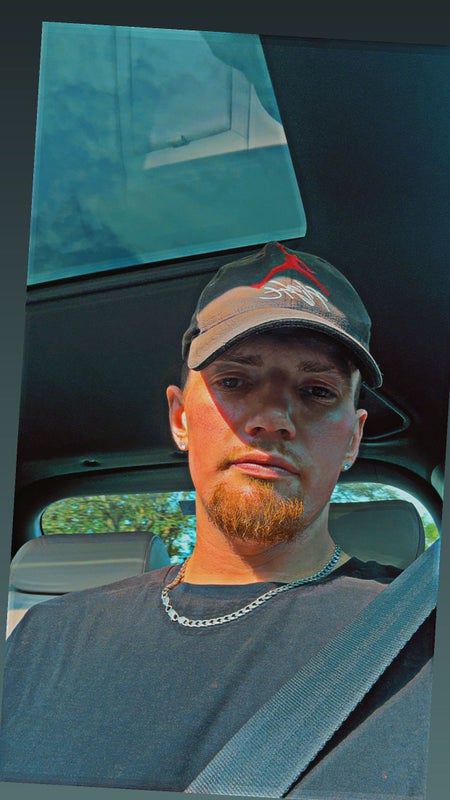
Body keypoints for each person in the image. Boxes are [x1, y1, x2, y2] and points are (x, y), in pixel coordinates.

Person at [0, 241, 435, 797]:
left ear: (353, 438)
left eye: (317, 390)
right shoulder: (42, 638)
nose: (272, 417)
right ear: (180, 418)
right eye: (234, 380)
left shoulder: (424, 641)